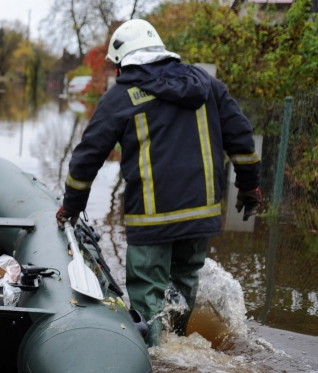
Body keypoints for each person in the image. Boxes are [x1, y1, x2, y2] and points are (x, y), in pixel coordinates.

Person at [56, 19, 261, 346]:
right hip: (201, 214)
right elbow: (242, 138)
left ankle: (154, 360)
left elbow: (87, 157)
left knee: (148, 294)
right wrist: (250, 187)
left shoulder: (122, 96)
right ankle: (178, 348)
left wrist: (72, 206)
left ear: (124, 61)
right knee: (183, 283)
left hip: (153, 219)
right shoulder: (208, 86)